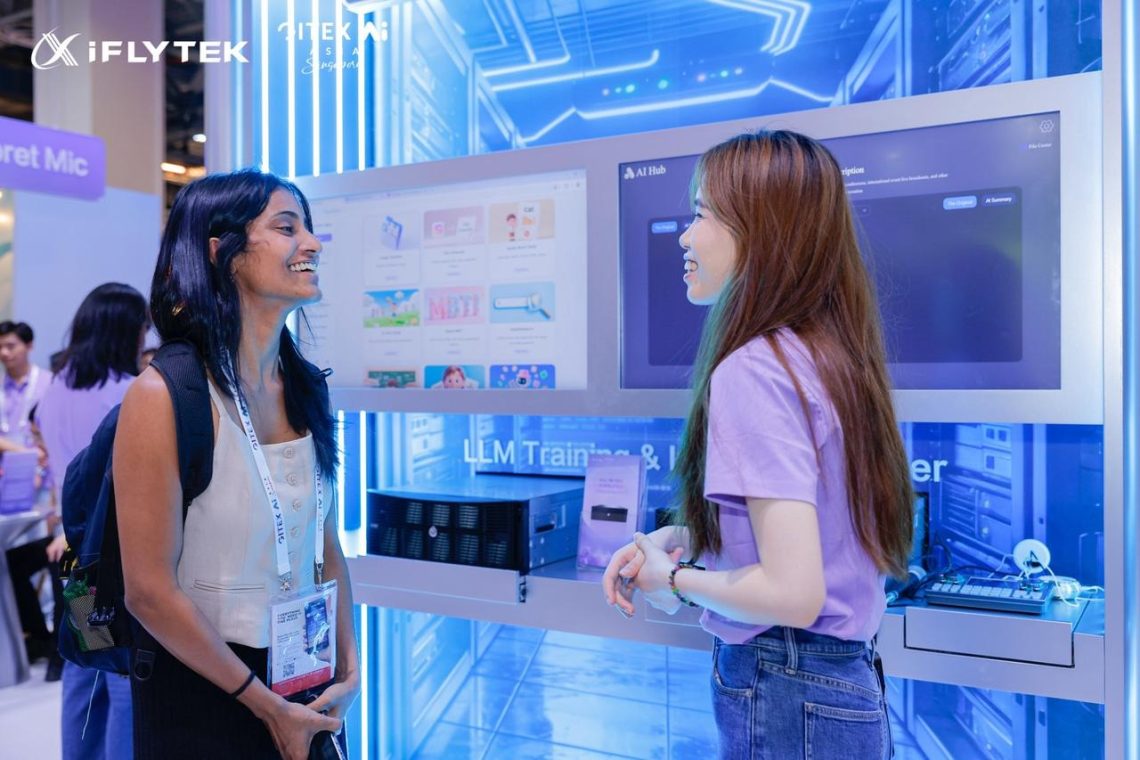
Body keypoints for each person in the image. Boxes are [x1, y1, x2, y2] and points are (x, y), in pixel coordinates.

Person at [603, 131, 914, 759]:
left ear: (760, 231)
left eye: (701, 214)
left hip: (785, 682)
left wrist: (676, 579)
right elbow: (812, 534)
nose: (685, 237)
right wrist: (693, 536)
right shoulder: (826, 356)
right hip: (835, 681)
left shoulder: (756, 369)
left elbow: (792, 593)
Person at [114, 169, 359, 760]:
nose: (312, 244)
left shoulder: (307, 387)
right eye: (287, 227)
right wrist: (266, 706)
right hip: (204, 692)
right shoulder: (163, 395)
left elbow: (324, 542)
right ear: (220, 253)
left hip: (307, 674)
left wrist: (349, 669)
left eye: (308, 228)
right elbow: (147, 591)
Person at [36, 282, 149, 755]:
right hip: (117, 559)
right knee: (121, 673)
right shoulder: (130, 394)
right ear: (125, 330)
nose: (145, 337)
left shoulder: (55, 389)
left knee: (84, 667)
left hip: (76, 558)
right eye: (142, 327)